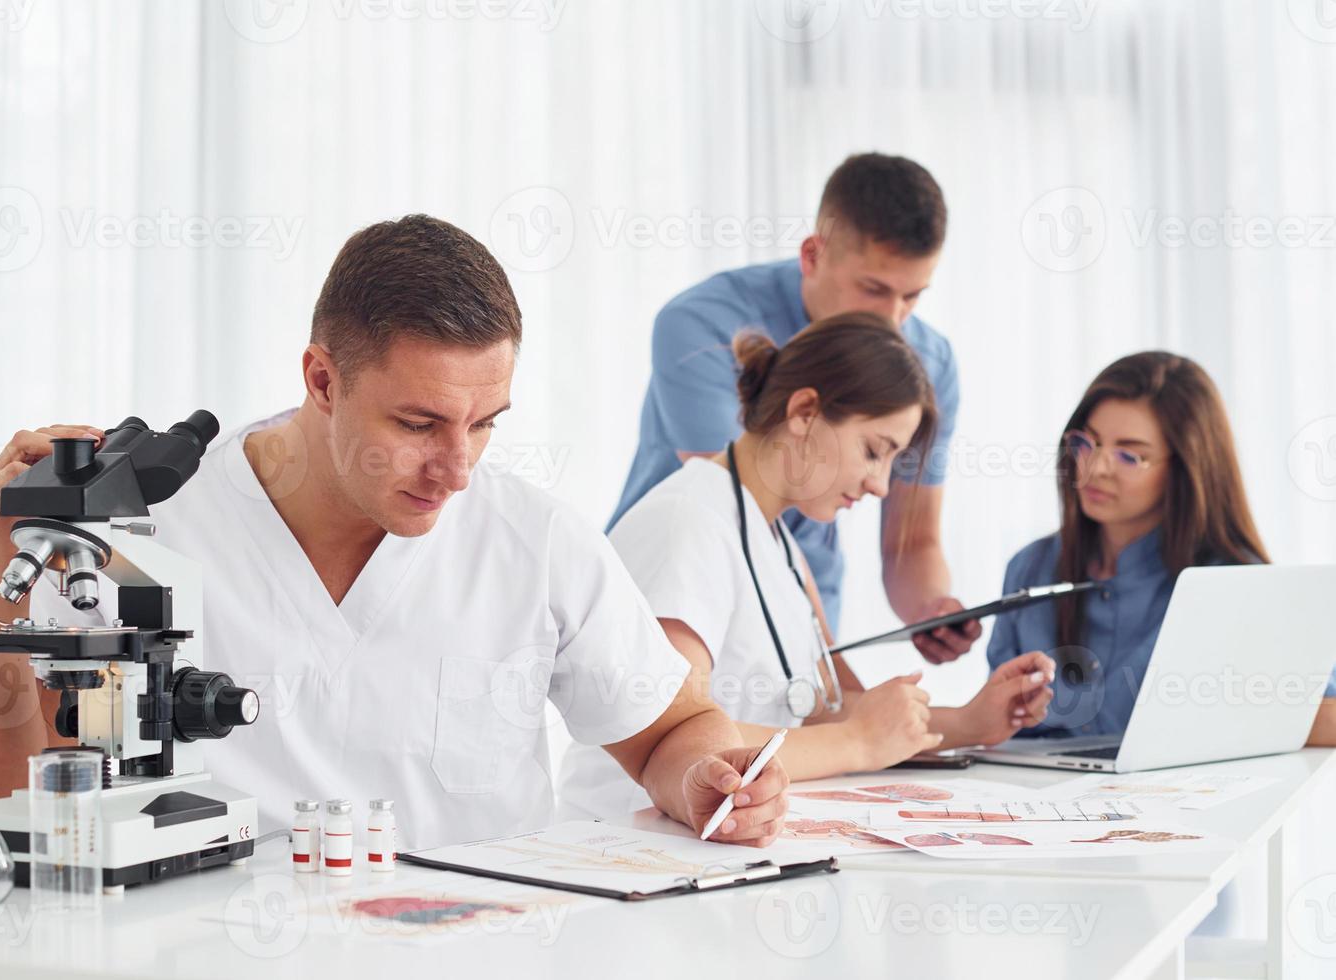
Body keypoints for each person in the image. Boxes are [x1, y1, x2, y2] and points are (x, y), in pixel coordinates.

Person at [0, 215, 790, 850]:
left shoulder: (534, 540)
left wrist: (710, 782)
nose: (457, 469)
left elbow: (671, 731)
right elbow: (5, 800)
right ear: (322, 379)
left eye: (486, 424)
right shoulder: (142, 527)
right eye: (419, 423)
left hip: (474, 951)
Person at [560, 314, 1055, 818]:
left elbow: (821, 708)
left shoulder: (780, 546)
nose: (881, 485)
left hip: (721, 836)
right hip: (631, 837)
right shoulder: (685, 523)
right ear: (804, 411)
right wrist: (857, 743)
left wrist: (971, 721)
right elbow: (680, 737)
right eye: (873, 452)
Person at [612, 152, 979, 665]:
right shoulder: (701, 324)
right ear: (813, 255)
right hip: (682, 589)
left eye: (912, 296)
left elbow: (912, 541)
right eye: (874, 289)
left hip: (803, 610)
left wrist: (932, 610)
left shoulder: (929, 364)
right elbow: (739, 506)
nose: (893, 321)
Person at [986, 351, 1336, 744]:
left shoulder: (1234, 583)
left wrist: (1229, 715)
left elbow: (1326, 713)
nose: (1096, 468)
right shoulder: (1030, 567)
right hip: (1024, 798)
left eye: (1129, 455)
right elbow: (996, 724)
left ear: (1186, 468)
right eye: (1088, 442)